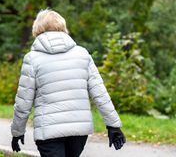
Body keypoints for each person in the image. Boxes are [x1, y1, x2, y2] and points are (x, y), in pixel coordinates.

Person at [11, 9, 125, 157]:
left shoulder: (32, 59)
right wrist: (113, 125)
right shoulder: (82, 54)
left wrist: (17, 132)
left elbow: (23, 102)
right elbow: (99, 93)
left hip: (49, 131)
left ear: (37, 29)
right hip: (78, 131)